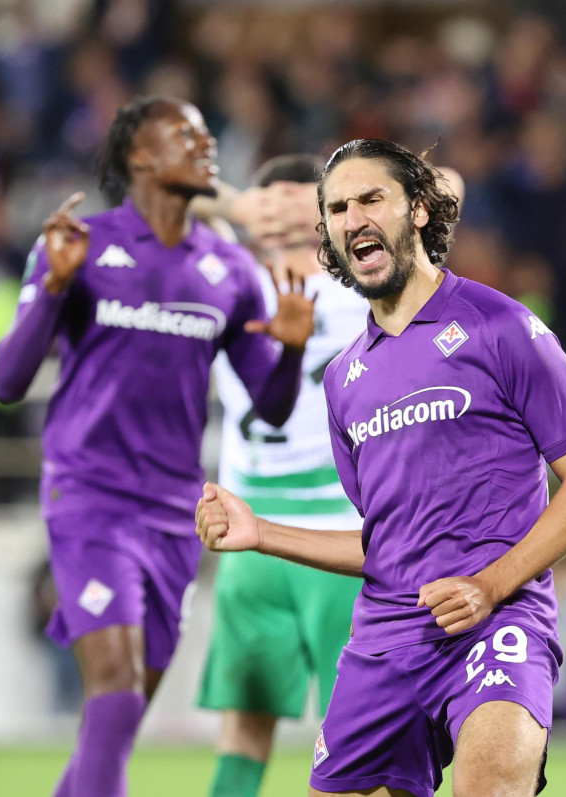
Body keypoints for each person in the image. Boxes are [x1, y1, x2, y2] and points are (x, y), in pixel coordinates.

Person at [197, 138, 566, 797]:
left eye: (371, 198)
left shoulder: (502, 327)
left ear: (418, 211)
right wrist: (261, 531)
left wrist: (491, 583)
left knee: (491, 785)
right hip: (386, 643)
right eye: (337, 207)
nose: (353, 217)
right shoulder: (344, 380)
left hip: (497, 621)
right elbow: (385, 546)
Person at [0, 96, 315, 797]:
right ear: (140, 156)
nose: (208, 147)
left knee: (121, 714)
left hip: (175, 511)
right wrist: (51, 287)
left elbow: (273, 407)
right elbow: (8, 379)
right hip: (88, 495)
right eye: (187, 136)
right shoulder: (79, 244)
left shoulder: (229, 270)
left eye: (206, 134)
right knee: (115, 690)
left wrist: (290, 353)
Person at [197, 153, 372, 797]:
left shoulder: (363, 278)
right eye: (277, 204)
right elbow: (172, 193)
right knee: (246, 724)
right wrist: (235, 202)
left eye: (308, 202)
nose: (288, 215)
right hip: (249, 530)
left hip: (341, 533)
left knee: (353, 725)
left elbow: (447, 190)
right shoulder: (231, 274)